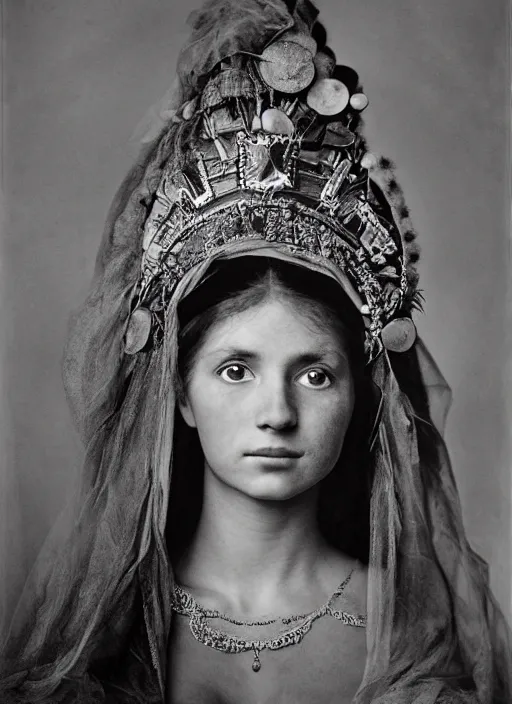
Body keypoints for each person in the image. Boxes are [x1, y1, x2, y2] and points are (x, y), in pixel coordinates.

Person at [0, 0, 511, 702]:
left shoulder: (410, 635)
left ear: (361, 391)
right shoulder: (101, 635)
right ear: (178, 391)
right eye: (236, 370)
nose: (276, 412)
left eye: (315, 373)